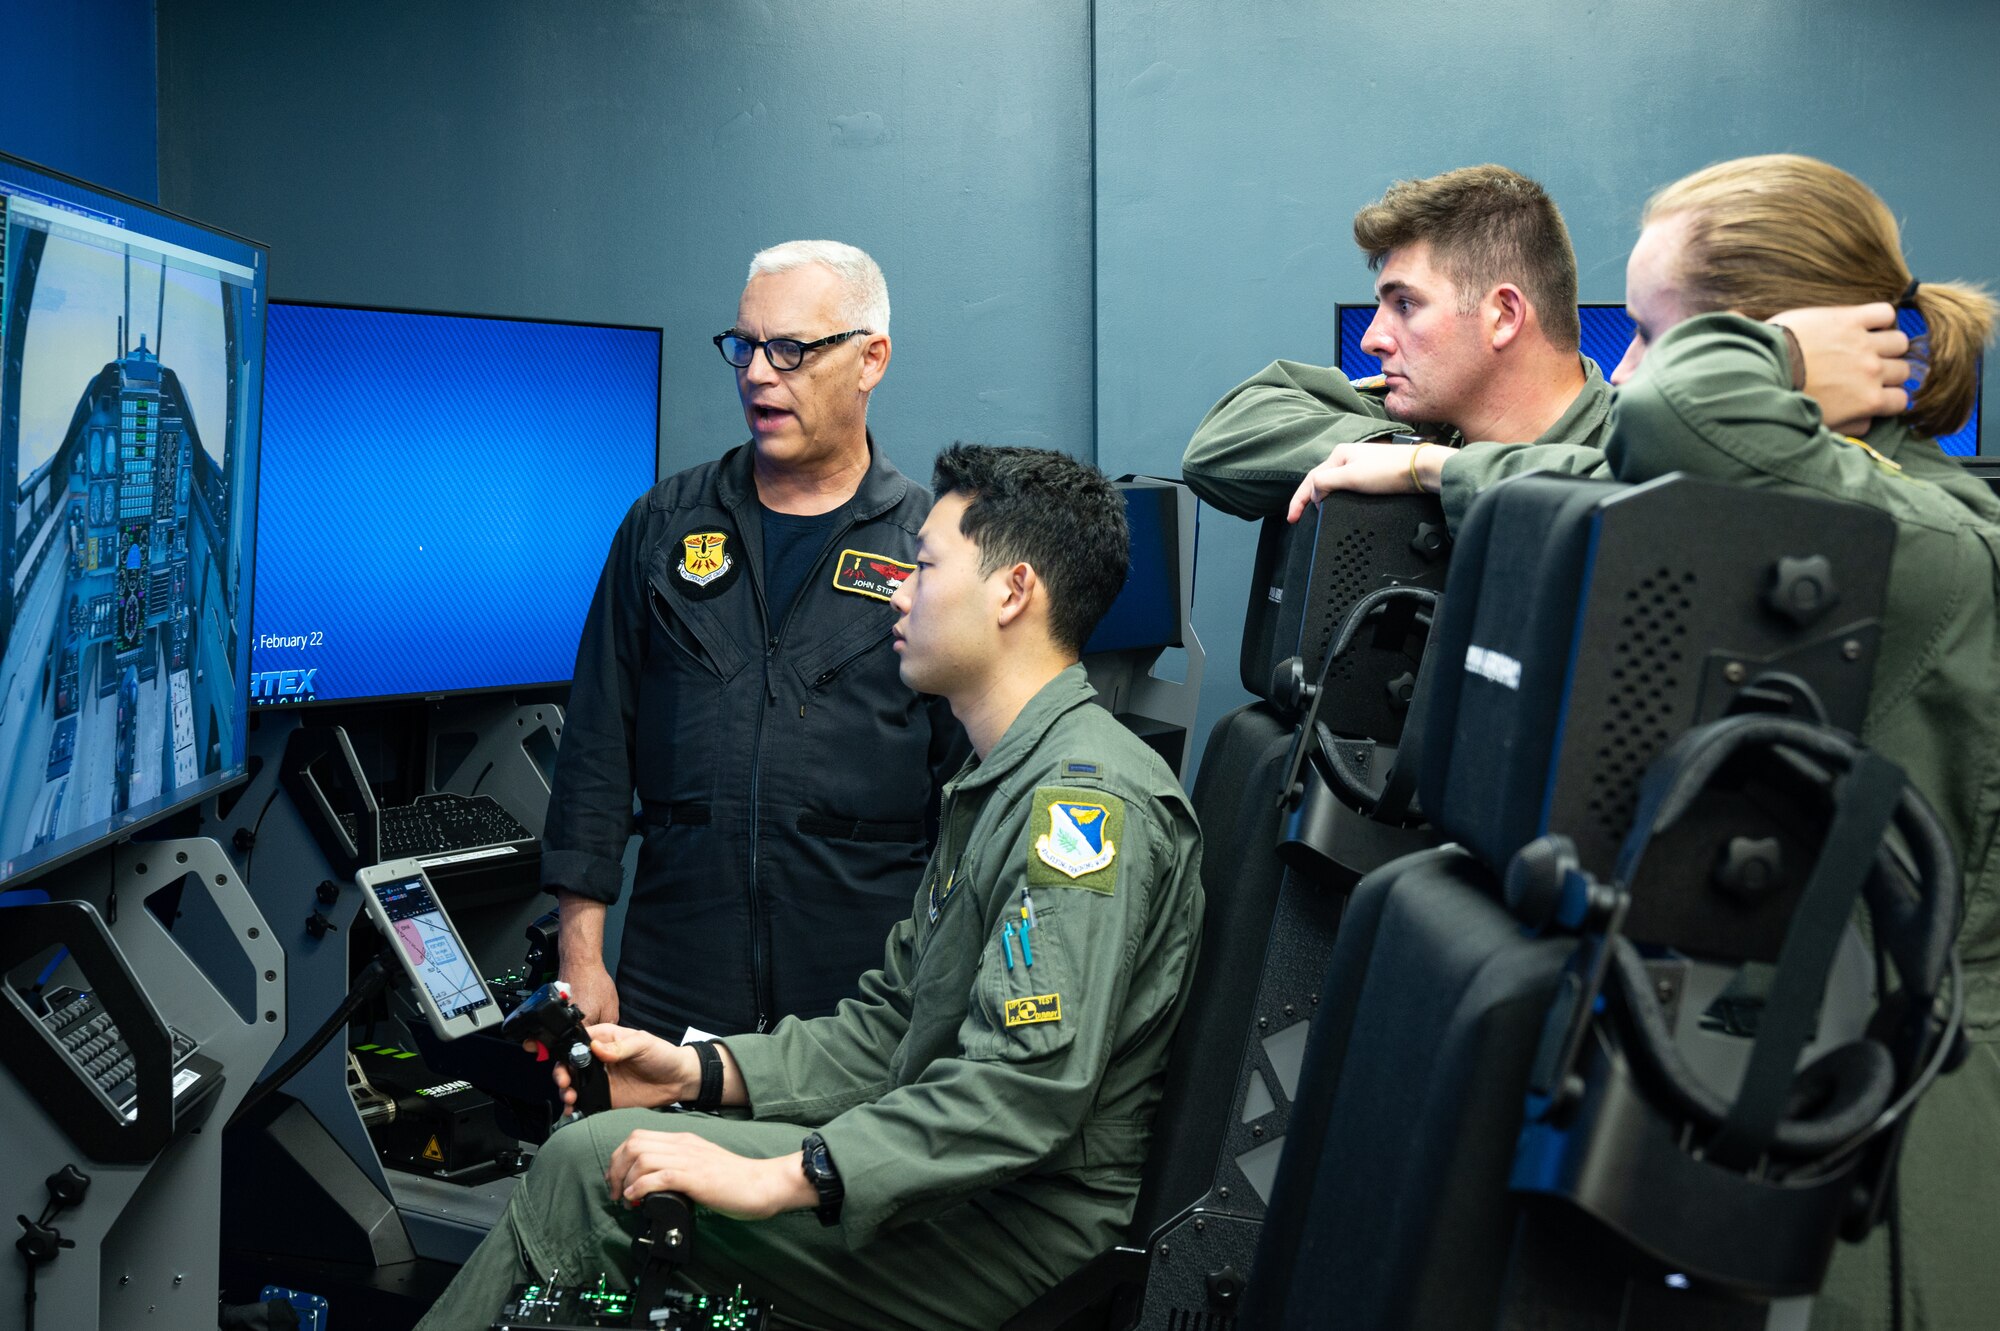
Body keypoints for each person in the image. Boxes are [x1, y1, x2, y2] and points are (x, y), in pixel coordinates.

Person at [414, 445, 1205, 1331]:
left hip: (1020, 1225)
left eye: (927, 567)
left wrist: (783, 1174)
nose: (899, 594)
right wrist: (697, 1071)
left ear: (1012, 592)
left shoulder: (1081, 805)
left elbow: (1019, 1094)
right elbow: (889, 1030)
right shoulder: (996, 787)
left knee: (585, 1170)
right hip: (963, 1182)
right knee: (602, 1150)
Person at [1595, 154, 1999, 1331]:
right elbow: (1608, 466)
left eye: (1656, 334)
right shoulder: (1844, 502)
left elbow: (1665, 417)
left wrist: (1774, 356)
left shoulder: (1915, 542)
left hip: (1917, 1131)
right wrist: (1429, 462)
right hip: (1831, 1067)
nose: (1622, 373)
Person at [543, 240, 967, 1042]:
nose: (758, 374)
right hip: (672, 988)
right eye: (744, 346)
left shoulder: (929, 547)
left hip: (863, 1004)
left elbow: (968, 793)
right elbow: (596, 751)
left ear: (871, 359)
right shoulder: (662, 528)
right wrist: (582, 955)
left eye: (791, 350)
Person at [1181, 164, 1613, 532]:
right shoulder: (1430, 426)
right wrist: (1401, 451)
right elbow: (1221, 444)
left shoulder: (1647, 449)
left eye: (1405, 304)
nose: (1371, 340)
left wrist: (1427, 469)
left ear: (1503, 315)